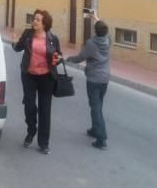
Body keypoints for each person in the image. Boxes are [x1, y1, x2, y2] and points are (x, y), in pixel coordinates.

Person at [13, 9, 62, 155]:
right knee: (29, 105)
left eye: (37, 20)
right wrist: (15, 43)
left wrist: (57, 59)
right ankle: (31, 130)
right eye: (34, 19)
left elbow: (58, 55)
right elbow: (18, 48)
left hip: (47, 77)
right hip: (29, 75)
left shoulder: (53, 38)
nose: (34, 21)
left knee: (45, 110)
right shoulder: (28, 34)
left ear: (44, 23)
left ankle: (43, 143)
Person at [66, 16, 111, 150]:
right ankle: (94, 129)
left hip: (94, 79)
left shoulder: (91, 43)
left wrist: (69, 59)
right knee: (98, 105)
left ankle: (101, 138)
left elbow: (81, 57)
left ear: (95, 31)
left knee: (95, 106)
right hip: (105, 79)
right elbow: (104, 29)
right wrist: (97, 18)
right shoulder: (108, 40)